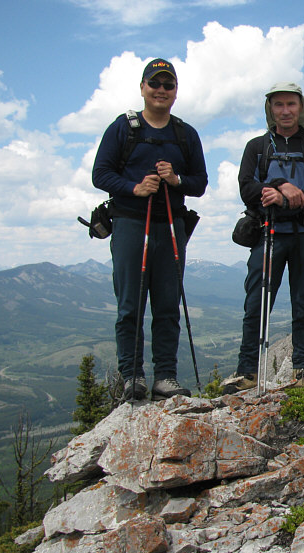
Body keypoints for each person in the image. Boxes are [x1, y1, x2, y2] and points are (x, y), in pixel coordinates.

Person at [92, 58, 208, 401]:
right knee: (130, 306)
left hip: (171, 224)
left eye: (167, 85)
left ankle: (165, 378)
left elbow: (199, 183)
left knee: (168, 305)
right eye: (154, 84)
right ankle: (132, 377)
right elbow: (101, 174)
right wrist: (134, 188)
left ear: (175, 91)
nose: (160, 90)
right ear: (142, 87)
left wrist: (176, 180)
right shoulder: (124, 128)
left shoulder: (185, 134)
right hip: (130, 222)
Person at [227, 82, 304, 391]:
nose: (285, 111)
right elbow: (246, 187)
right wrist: (278, 184)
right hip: (268, 232)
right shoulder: (256, 146)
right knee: (257, 304)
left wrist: (287, 199)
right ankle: (247, 372)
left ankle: (303, 369)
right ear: (270, 109)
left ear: (301, 108)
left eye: (291, 104)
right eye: (279, 105)